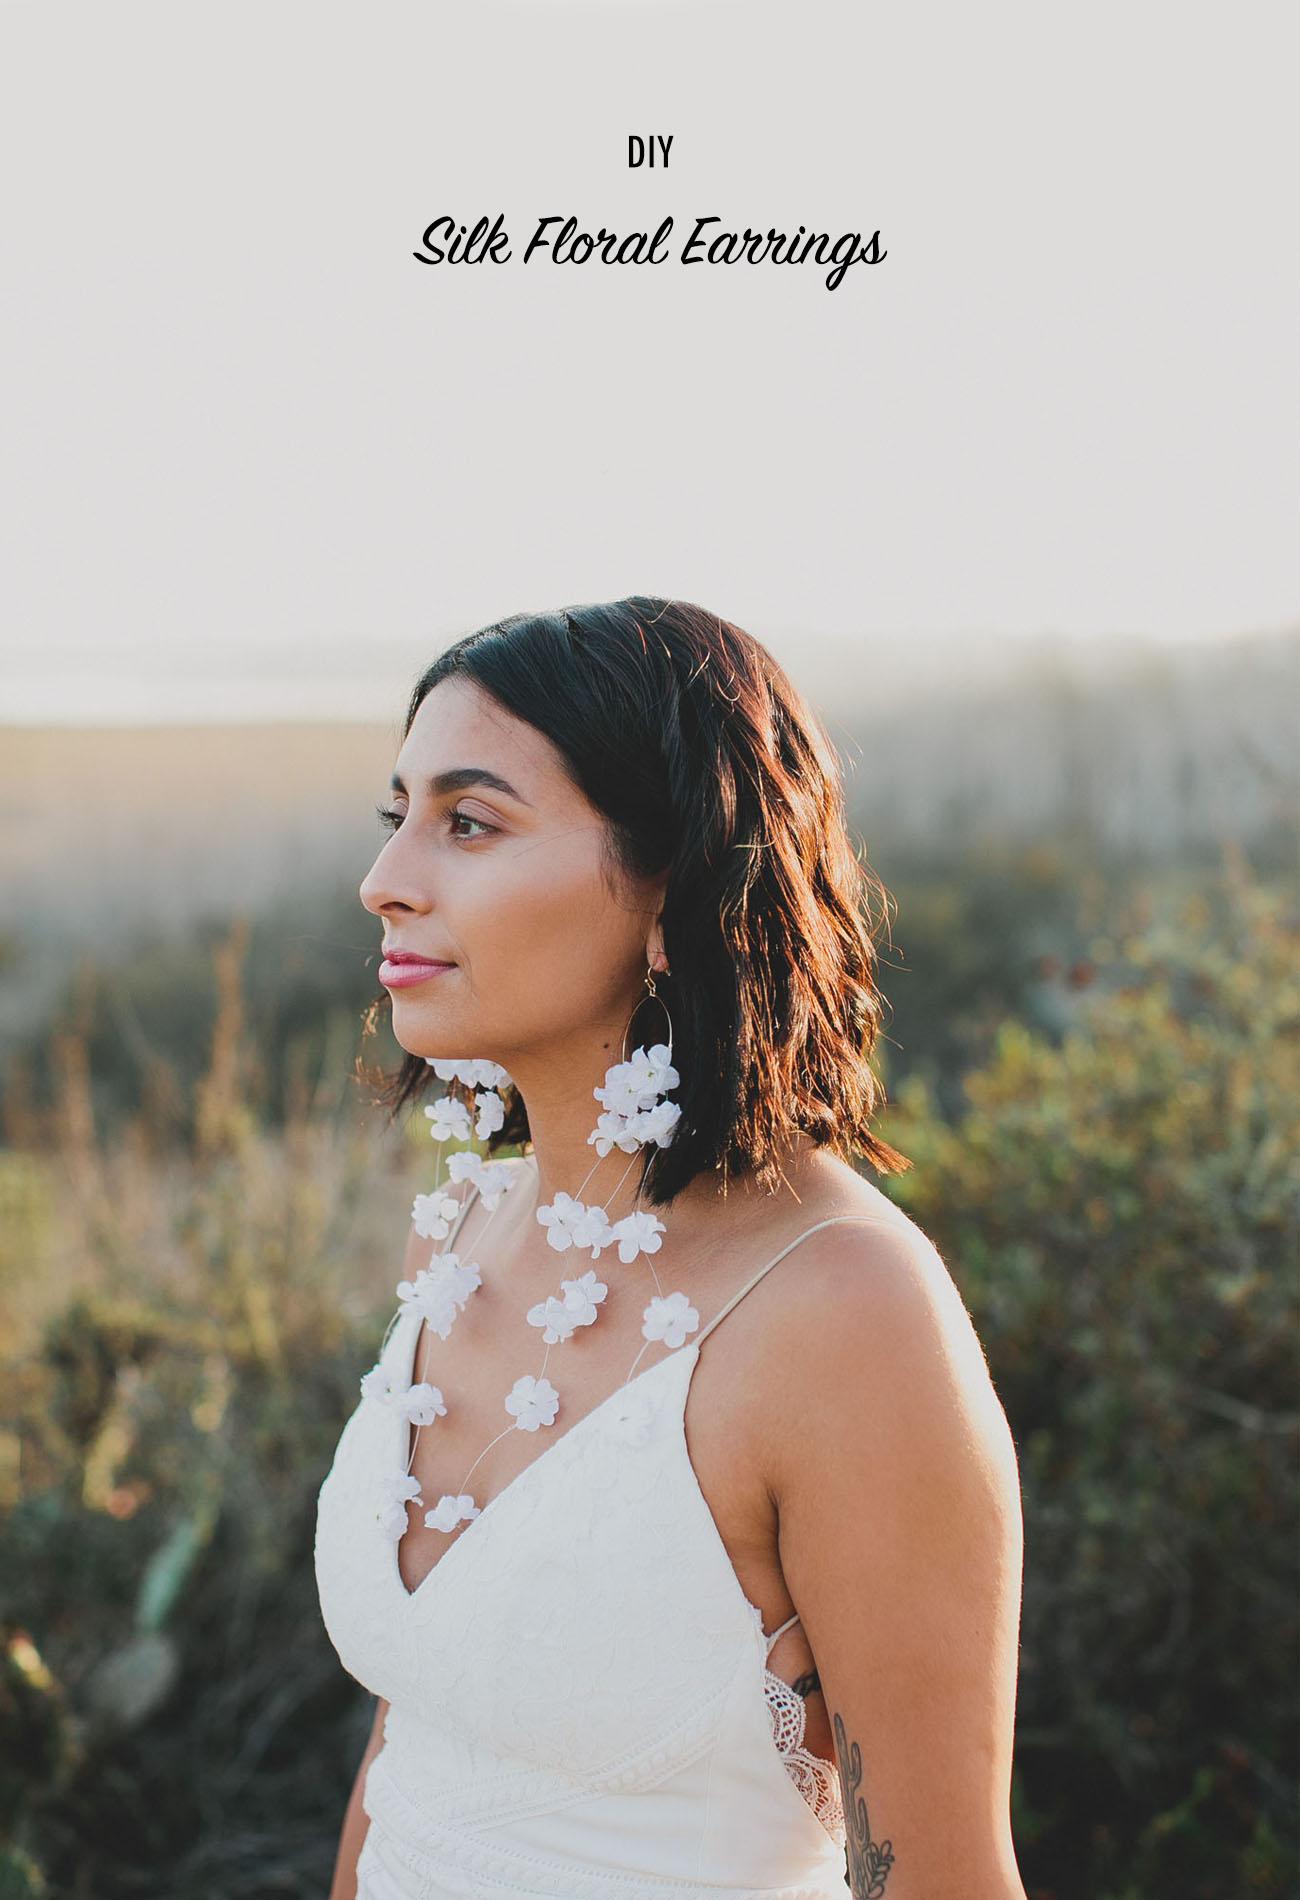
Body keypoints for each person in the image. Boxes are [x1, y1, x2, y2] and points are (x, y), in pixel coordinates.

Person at [315, 598, 1028, 1900]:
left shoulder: (842, 1309)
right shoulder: (474, 1228)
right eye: (398, 816)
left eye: (468, 821)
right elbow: (416, 1732)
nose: (388, 879)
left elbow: (944, 1880)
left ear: (674, 889)